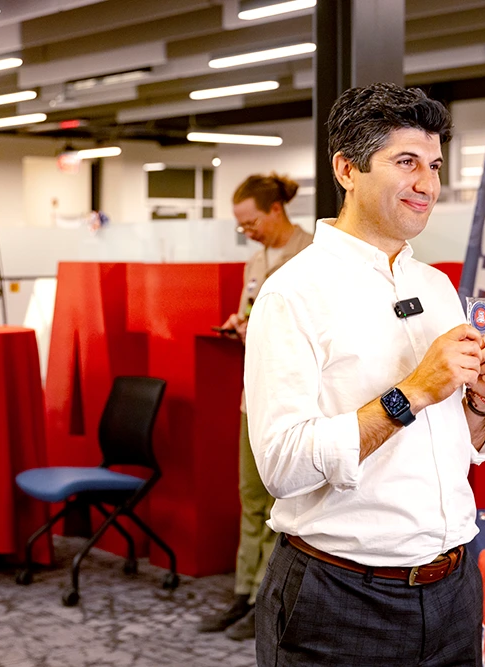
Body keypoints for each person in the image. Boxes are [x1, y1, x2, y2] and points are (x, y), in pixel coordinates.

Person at [245, 83, 485, 665]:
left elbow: (453, 448)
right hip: (340, 600)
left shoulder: (437, 286)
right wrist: (414, 391)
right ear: (347, 169)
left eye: (435, 165)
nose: (427, 184)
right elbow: (282, 466)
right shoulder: (293, 294)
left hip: (454, 589)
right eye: (406, 162)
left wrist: (482, 402)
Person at [197, 173, 313, 641]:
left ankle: (269, 597)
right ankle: (244, 592)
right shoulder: (255, 262)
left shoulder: (311, 256)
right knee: (250, 499)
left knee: (279, 504)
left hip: (295, 402)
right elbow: (254, 316)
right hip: (254, 397)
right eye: (240, 226)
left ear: (275, 211)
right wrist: (241, 324)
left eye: (251, 222)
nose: (248, 231)